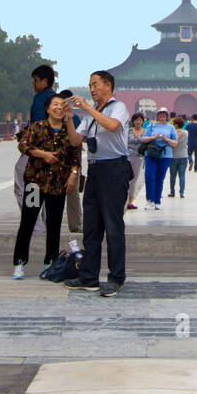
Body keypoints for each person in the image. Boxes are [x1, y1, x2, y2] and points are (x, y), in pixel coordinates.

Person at [62, 71, 131, 296]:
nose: (91, 89)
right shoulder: (91, 114)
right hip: (95, 169)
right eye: (89, 85)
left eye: (95, 84)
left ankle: (116, 277)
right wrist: (69, 119)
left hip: (114, 169)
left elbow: (112, 126)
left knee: (113, 226)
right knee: (91, 226)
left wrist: (88, 108)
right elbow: (75, 140)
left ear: (108, 85)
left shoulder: (117, 107)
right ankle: (89, 276)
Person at [12, 93, 81, 279]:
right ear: (48, 108)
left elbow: (75, 156)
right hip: (35, 183)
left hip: (58, 185)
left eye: (62, 105)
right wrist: (43, 155)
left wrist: (73, 175)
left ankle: (50, 261)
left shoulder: (69, 131)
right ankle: (19, 262)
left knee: (54, 223)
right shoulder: (37, 127)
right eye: (55, 104)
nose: (58, 108)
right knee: (28, 221)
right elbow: (24, 146)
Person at [140, 107, 177, 209]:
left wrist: (167, 139)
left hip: (165, 155)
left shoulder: (171, 128)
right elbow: (143, 139)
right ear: (157, 116)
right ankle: (149, 200)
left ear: (166, 116)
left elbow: (175, 143)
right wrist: (153, 137)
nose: (162, 116)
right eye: (160, 114)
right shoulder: (151, 126)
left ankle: (157, 201)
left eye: (164, 115)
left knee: (159, 179)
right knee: (149, 177)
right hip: (151, 154)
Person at [57, 89, 84, 232]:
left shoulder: (76, 118)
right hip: (57, 159)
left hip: (73, 159)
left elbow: (78, 138)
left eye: (69, 102)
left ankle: (75, 223)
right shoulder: (54, 117)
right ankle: (50, 222)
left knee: (73, 191)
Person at [126, 112, 146, 210]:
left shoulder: (146, 132)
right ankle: (122, 199)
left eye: (140, 120)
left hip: (139, 158)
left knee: (134, 180)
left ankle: (130, 202)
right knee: (125, 180)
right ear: (133, 121)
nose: (138, 122)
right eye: (136, 120)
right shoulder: (128, 131)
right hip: (127, 158)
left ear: (143, 122)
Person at [168, 116, 189, 197]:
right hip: (184, 156)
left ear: (176, 125)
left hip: (173, 156)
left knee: (173, 175)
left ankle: (172, 192)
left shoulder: (172, 133)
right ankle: (182, 192)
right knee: (182, 175)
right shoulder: (186, 132)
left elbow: (171, 142)